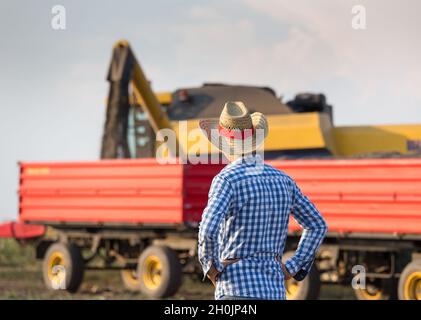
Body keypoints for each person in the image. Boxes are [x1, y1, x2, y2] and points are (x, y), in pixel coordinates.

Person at [197, 101, 327, 300]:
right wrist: (292, 266)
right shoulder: (283, 179)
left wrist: (211, 268)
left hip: (236, 289)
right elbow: (317, 225)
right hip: (273, 290)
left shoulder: (226, 179)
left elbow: (207, 230)